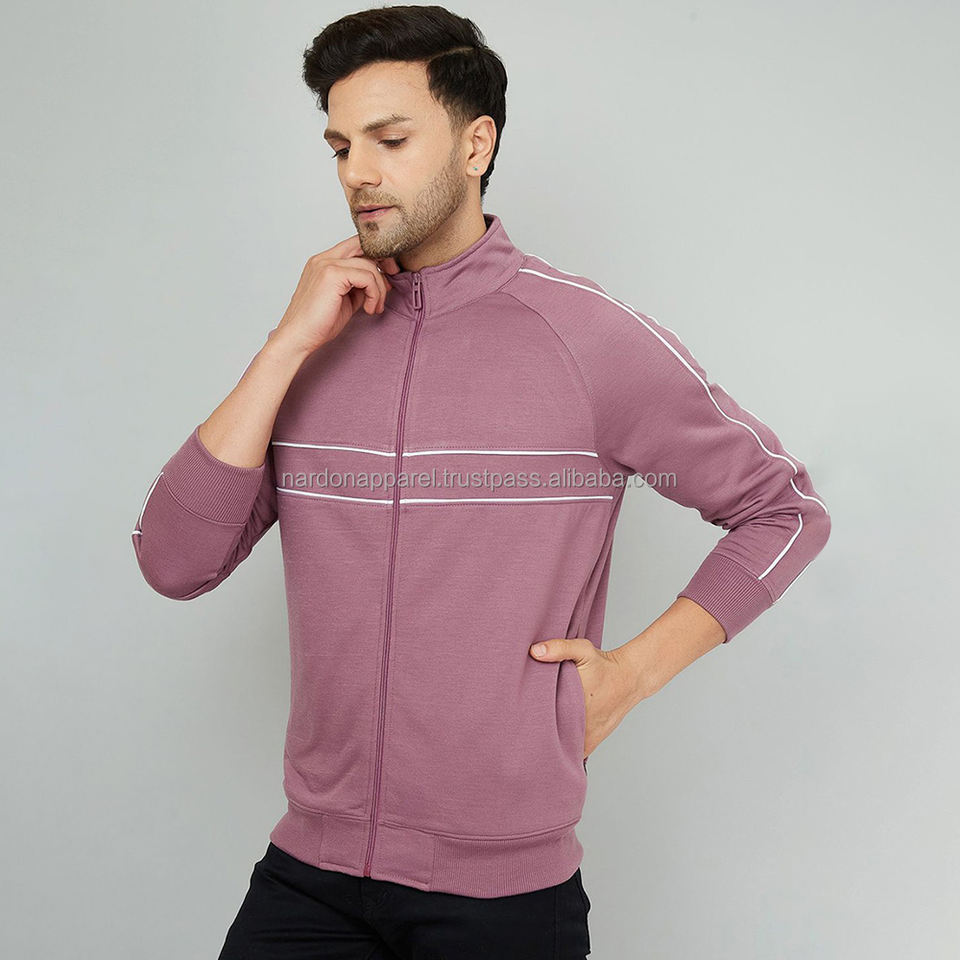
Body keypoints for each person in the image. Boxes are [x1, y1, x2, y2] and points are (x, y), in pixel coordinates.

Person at [131, 6, 831, 959]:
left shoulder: (586, 338)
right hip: (310, 876)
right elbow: (174, 562)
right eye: (339, 146)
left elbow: (784, 512)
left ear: (475, 144)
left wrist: (631, 675)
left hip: (503, 900)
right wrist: (285, 345)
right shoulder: (318, 336)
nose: (356, 172)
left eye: (389, 140)